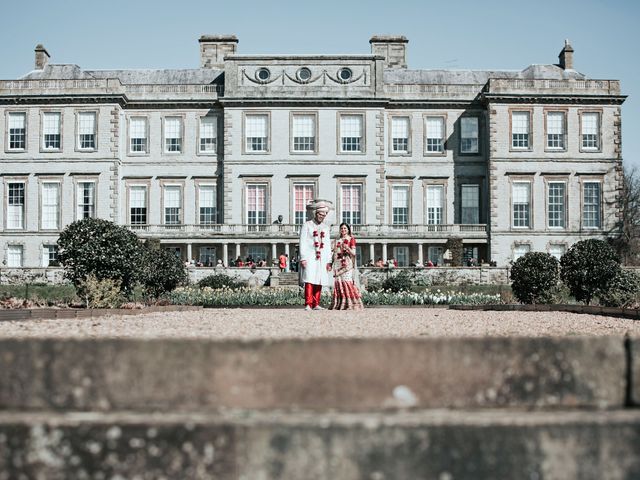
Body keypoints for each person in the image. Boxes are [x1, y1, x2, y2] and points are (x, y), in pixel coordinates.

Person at [299, 199, 333, 310]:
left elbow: (327, 245)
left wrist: (329, 260)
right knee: (309, 279)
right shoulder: (307, 225)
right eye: (320, 214)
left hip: (322, 257)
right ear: (316, 213)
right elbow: (302, 242)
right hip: (309, 256)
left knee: (320, 279)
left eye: (324, 215)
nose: (321, 217)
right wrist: (303, 258)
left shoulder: (326, 228)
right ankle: (308, 303)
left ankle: (316, 303)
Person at [329, 223, 364, 310]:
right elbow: (333, 253)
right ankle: (340, 304)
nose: (343, 230)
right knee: (339, 282)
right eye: (342, 228)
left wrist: (347, 248)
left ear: (348, 230)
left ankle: (352, 304)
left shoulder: (351, 239)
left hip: (347, 263)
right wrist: (330, 263)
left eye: (345, 228)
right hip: (338, 263)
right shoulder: (337, 240)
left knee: (347, 281)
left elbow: (354, 253)